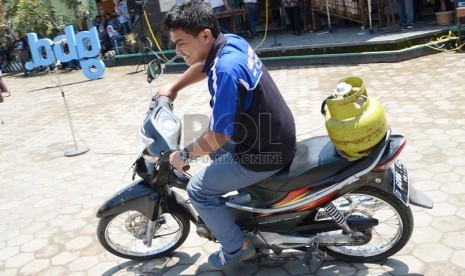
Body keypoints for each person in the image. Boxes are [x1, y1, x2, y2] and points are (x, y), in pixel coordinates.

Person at [159, 0, 296, 270]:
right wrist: (174, 86)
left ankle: (236, 250)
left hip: (264, 152)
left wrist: (183, 154)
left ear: (205, 35)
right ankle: (240, 208)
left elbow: (218, 135)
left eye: (181, 42)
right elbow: (202, 66)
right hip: (271, 133)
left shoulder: (226, 70)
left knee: (198, 190)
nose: (177, 50)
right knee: (210, 153)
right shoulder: (229, 42)